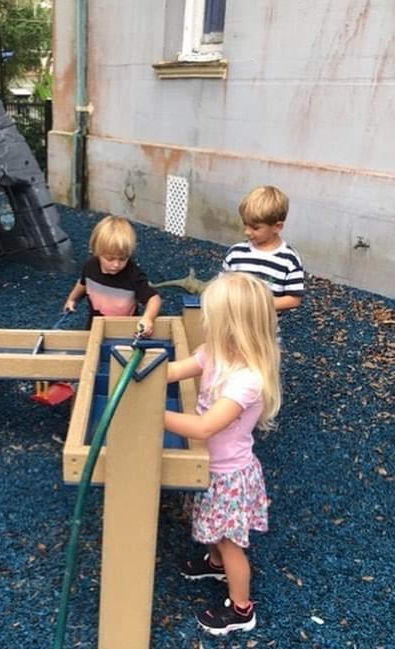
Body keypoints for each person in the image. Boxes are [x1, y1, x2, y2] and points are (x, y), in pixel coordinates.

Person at [164, 272, 281, 636]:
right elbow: (173, 371)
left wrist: (151, 412)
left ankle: (242, 609)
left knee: (230, 542)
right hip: (213, 467)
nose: (206, 321)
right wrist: (143, 373)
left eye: (212, 316)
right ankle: (213, 562)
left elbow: (204, 428)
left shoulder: (247, 380)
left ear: (233, 326)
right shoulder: (214, 353)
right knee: (213, 527)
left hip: (230, 475)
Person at [63, 215, 161, 336]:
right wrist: (72, 299)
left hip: (124, 330)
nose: (116, 264)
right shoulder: (90, 266)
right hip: (95, 325)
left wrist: (148, 318)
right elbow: (83, 283)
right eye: (110, 259)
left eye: (123, 258)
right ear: (97, 252)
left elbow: (154, 298)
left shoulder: (133, 274)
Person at [222, 185, 304, 313]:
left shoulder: (289, 259)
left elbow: (294, 299)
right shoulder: (235, 253)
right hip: (232, 325)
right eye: (245, 224)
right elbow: (221, 287)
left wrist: (258, 304)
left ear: (277, 227)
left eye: (255, 228)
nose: (247, 232)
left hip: (265, 329)